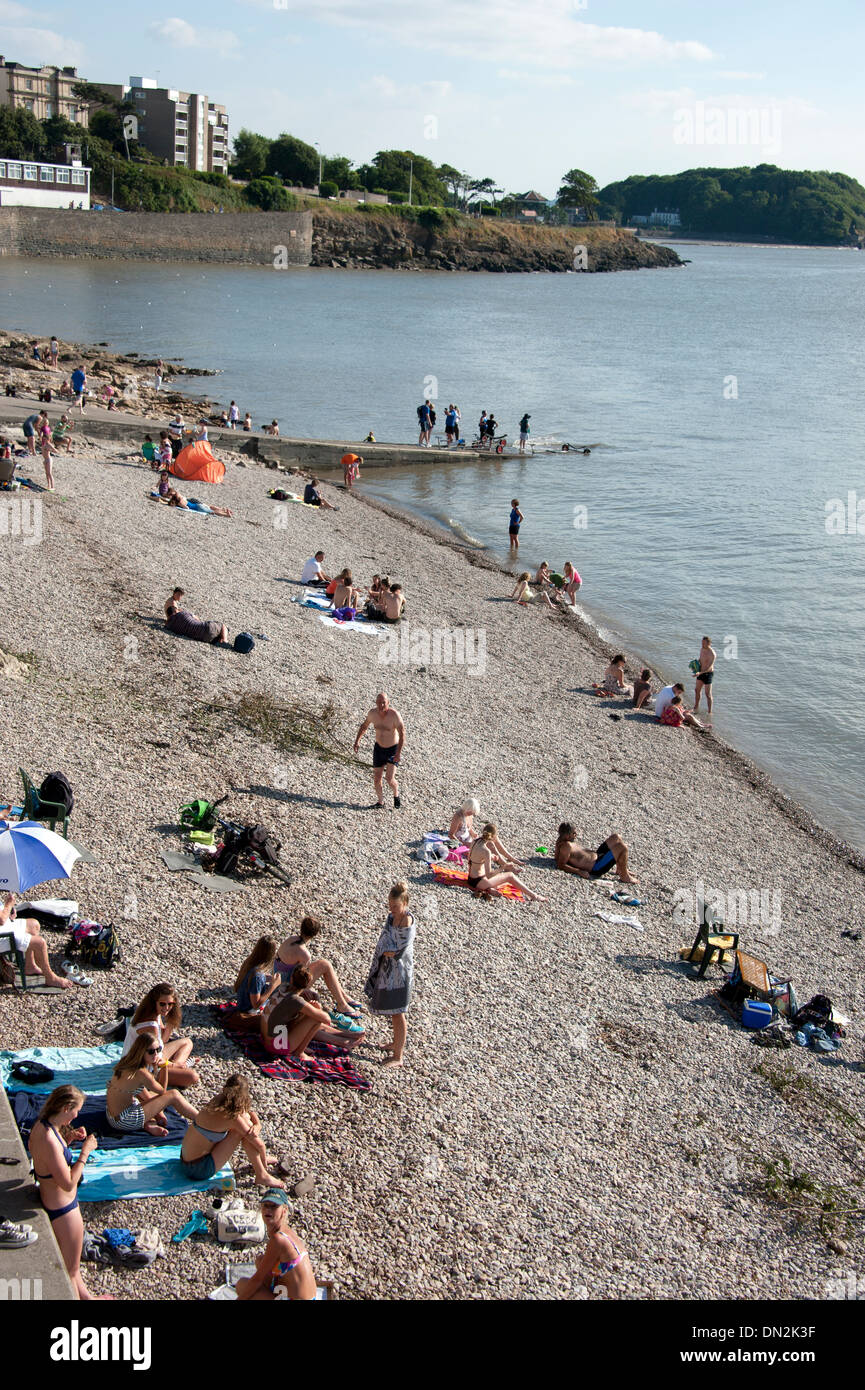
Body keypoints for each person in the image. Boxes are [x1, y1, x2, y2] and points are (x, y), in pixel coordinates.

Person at [28, 1086, 105, 1300]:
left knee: (73, 1269)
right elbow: (69, 1183)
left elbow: (49, 1161)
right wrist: (84, 1153)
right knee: (69, 1273)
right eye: (76, 1110)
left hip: (54, 1203)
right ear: (65, 1107)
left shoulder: (43, 1126)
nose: (77, 1115)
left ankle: (88, 1298)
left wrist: (69, 1140)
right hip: (63, 1211)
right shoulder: (50, 1139)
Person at [180, 1074, 286, 1188]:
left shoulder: (219, 1100)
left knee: (246, 1123)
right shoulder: (232, 1117)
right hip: (197, 1169)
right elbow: (260, 1145)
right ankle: (262, 1174)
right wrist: (264, 1162)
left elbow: (248, 1112)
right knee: (242, 1131)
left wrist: (258, 1125)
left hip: (185, 1162)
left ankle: (259, 1164)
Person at [364, 882, 416, 1068]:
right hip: (389, 971)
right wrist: (385, 949)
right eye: (390, 905)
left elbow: (398, 949)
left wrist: (387, 949)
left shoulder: (407, 921)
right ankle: (395, 1043)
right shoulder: (391, 918)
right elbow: (386, 941)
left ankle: (398, 1055)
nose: (391, 909)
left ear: (404, 903)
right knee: (393, 1012)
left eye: (395, 906)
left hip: (400, 974)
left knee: (398, 1012)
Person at [106, 1036, 198, 1137]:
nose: (156, 1054)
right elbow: (163, 1091)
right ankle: (202, 1120)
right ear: (141, 1051)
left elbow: (145, 1092)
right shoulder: (141, 1072)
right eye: (151, 1052)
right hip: (124, 1121)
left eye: (158, 1050)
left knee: (146, 1094)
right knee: (174, 1094)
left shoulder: (126, 1062)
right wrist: (164, 1066)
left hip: (112, 1117)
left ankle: (150, 1123)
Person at [260, 966, 362, 1057]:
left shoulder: (283, 988)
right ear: (307, 985)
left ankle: (345, 1035)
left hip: (266, 1039)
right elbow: (326, 1019)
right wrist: (318, 1008)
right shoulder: (295, 1000)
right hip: (276, 1046)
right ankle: (299, 1052)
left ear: (291, 978)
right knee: (315, 1019)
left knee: (307, 1016)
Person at [235, 1191, 317, 1300]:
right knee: (260, 1261)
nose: (268, 1210)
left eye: (274, 1207)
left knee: (242, 1285)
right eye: (266, 1206)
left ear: (284, 1210)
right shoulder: (286, 1230)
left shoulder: (278, 1239)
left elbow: (257, 1280)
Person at [275, 917, 362, 1017]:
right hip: (286, 989)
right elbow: (299, 979)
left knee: (325, 964)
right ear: (315, 934)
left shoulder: (291, 939)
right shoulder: (304, 954)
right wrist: (306, 990)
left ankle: (344, 997)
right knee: (325, 965)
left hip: (278, 981)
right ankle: (342, 1004)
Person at [122, 982, 200, 1088]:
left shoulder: (153, 1014)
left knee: (187, 1042)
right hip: (143, 1068)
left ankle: (178, 1069)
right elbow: (154, 1060)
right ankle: (178, 1068)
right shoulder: (150, 1025)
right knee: (193, 1077)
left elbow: (163, 1040)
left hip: (152, 1057)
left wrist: (171, 1021)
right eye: (162, 1004)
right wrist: (174, 1065)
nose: (167, 1007)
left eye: (170, 1004)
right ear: (154, 1002)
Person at [0, 893, 72, 989]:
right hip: (3, 935)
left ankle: (30, 966)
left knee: (33, 924)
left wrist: (9, 913)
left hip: (3, 928)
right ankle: (50, 978)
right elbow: (1, 919)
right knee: (39, 943)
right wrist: (8, 905)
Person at [466, 825, 547, 902]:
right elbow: (489, 875)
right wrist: (503, 867)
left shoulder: (475, 840)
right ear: (493, 836)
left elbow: (472, 858)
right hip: (479, 882)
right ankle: (534, 896)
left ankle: (489, 888)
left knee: (500, 878)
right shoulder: (486, 851)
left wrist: (491, 857)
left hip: (470, 878)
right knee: (510, 876)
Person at [354, 691, 405, 809]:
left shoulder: (394, 715)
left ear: (388, 703)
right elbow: (364, 726)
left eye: (383, 703)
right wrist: (357, 741)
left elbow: (402, 734)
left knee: (389, 778)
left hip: (392, 749)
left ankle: (396, 793)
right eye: (379, 703)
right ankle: (380, 802)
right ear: (376, 703)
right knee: (377, 778)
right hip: (378, 749)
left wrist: (398, 753)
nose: (381, 705)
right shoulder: (372, 714)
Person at [226, 935, 280, 1029]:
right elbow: (255, 1004)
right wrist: (273, 986)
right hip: (249, 1012)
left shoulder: (249, 963)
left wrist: (266, 978)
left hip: (243, 1005)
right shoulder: (257, 976)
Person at [554, 823, 637, 883]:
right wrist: (579, 871)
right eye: (574, 833)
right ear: (568, 835)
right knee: (622, 848)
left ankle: (620, 869)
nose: (576, 834)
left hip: (597, 855)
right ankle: (624, 876)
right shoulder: (566, 846)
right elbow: (561, 864)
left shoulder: (566, 841)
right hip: (596, 866)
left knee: (616, 837)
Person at [164, 592, 228, 645]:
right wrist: (181, 611)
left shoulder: (170, 626)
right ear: (176, 611)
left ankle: (219, 637)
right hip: (206, 628)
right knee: (222, 625)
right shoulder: (182, 613)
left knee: (212, 634)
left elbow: (167, 623)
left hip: (201, 638)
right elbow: (196, 618)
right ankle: (225, 640)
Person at [694, 636, 716, 721]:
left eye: (704, 643)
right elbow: (700, 660)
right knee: (697, 690)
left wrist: (700, 673)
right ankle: (696, 707)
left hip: (708, 674)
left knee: (708, 694)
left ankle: (710, 712)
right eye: (702, 642)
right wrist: (695, 665)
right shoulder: (702, 649)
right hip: (700, 672)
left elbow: (709, 668)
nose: (702, 644)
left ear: (709, 643)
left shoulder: (712, 654)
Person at [38, 414, 56, 491]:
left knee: (49, 473)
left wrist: (50, 450)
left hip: (48, 459)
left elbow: (55, 450)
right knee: (46, 473)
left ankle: (52, 486)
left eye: (44, 437)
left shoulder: (48, 444)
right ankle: (48, 485)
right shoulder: (44, 444)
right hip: (45, 460)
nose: (43, 438)